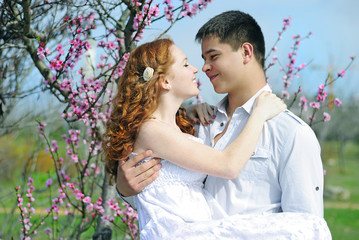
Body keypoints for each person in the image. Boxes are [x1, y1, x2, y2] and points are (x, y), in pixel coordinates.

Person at [116, 9, 330, 228]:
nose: (204, 67)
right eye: (202, 59)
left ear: (246, 52)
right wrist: (125, 189)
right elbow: (166, 199)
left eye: (214, 56)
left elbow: (305, 224)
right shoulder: (198, 124)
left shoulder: (291, 133)